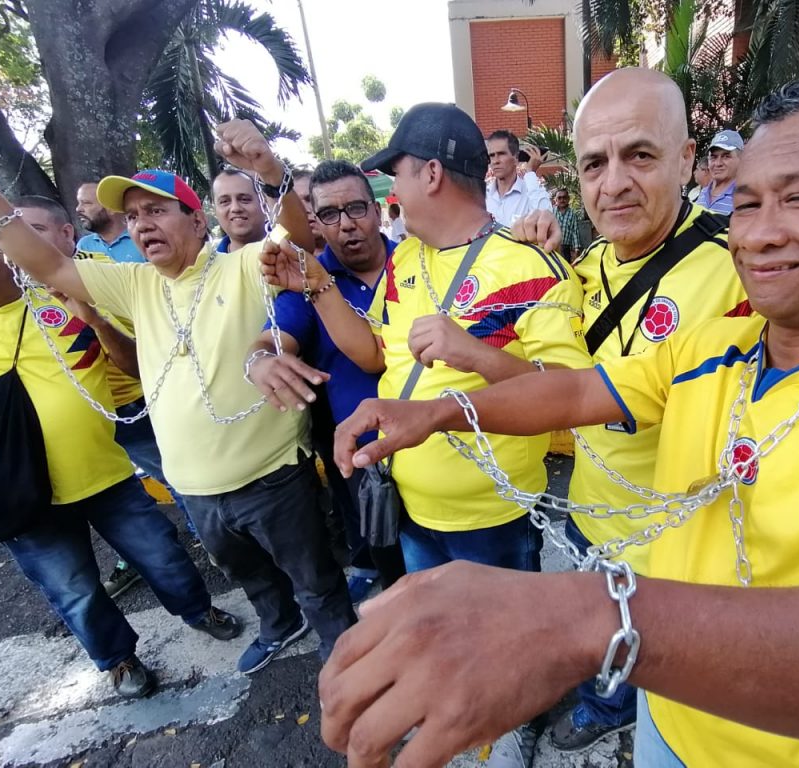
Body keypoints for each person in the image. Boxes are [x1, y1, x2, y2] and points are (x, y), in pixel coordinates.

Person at [319, 72, 799, 768]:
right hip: (668, 714)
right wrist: (436, 411)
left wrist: (591, 616)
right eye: (747, 203)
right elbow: (574, 395)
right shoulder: (710, 348)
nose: (761, 233)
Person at [260, 102, 587, 768]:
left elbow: (570, 395)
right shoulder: (405, 258)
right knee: (439, 630)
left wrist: (476, 354)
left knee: (508, 637)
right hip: (412, 504)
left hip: (493, 514)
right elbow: (375, 354)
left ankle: (517, 717)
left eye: (397, 174)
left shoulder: (530, 266)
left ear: (432, 173)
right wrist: (318, 287)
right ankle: (459, 706)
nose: (392, 191)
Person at [0, 119, 357, 674]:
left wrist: (267, 169)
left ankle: (349, 663)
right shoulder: (133, 284)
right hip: (194, 488)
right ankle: (280, 624)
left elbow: (299, 240)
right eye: (133, 216)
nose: (142, 224)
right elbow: (49, 264)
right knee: (249, 575)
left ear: (196, 219)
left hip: (273, 478)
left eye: (156, 210)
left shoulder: (242, 265)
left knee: (316, 581)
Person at [512, 67, 750, 753]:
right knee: (603, 640)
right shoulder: (591, 257)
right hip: (591, 513)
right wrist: (551, 268)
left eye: (639, 155)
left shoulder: (738, 269)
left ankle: (618, 708)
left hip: (672, 550)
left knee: (656, 666)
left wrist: (547, 307)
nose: (613, 183)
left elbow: (598, 397)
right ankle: (604, 697)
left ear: (686, 159)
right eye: (594, 163)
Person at [0, 200, 241, 700]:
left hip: (107, 475)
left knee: (163, 556)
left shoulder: (66, 293)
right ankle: (118, 660)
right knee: (75, 591)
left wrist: (100, 325)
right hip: (27, 502)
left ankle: (198, 610)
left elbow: (134, 363)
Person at [16, 195, 196, 599]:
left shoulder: (106, 275)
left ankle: (213, 543)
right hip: (86, 432)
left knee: (178, 479)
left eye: (34, 231)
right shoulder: (15, 292)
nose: (21, 244)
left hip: (138, 408)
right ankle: (134, 559)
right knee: (125, 507)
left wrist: (96, 322)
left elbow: (144, 348)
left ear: (67, 233)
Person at [245, 159, 407, 604]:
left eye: (356, 208)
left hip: (436, 446)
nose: (347, 224)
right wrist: (260, 360)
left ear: (377, 210)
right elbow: (273, 339)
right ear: (315, 221)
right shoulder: (309, 281)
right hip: (368, 463)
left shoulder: (419, 263)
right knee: (396, 574)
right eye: (330, 214)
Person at [485, 129, 552, 225]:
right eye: (491, 155)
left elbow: (546, 222)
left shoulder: (530, 192)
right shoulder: (482, 196)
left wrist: (530, 172)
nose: (495, 161)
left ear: (516, 158)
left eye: (501, 154)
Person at [75, 181, 144, 263]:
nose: (78, 209)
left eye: (86, 203)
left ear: (111, 208)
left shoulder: (141, 239)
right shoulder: (84, 246)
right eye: (79, 203)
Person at [212, 167, 268, 254]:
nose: (235, 208)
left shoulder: (287, 241)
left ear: (264, 204)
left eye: (244, 199)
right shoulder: (210, 262)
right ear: (215, 210)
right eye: (225, 201)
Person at [696, 129, 743, 215]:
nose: (718, 163)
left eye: (726, 156)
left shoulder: (744, 197)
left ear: (741, 159)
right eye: (713, 157)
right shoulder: (703, 193)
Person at [552, 188, 582, 263]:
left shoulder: (572, 214)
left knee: (566, 267)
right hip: (553, 246)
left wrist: (576, 249)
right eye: (559, 198)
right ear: (556, 199)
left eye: (564, 197)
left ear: (568, 199)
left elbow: (574, 231)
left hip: (566, 248)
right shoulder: (551, 211)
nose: (562, 200)